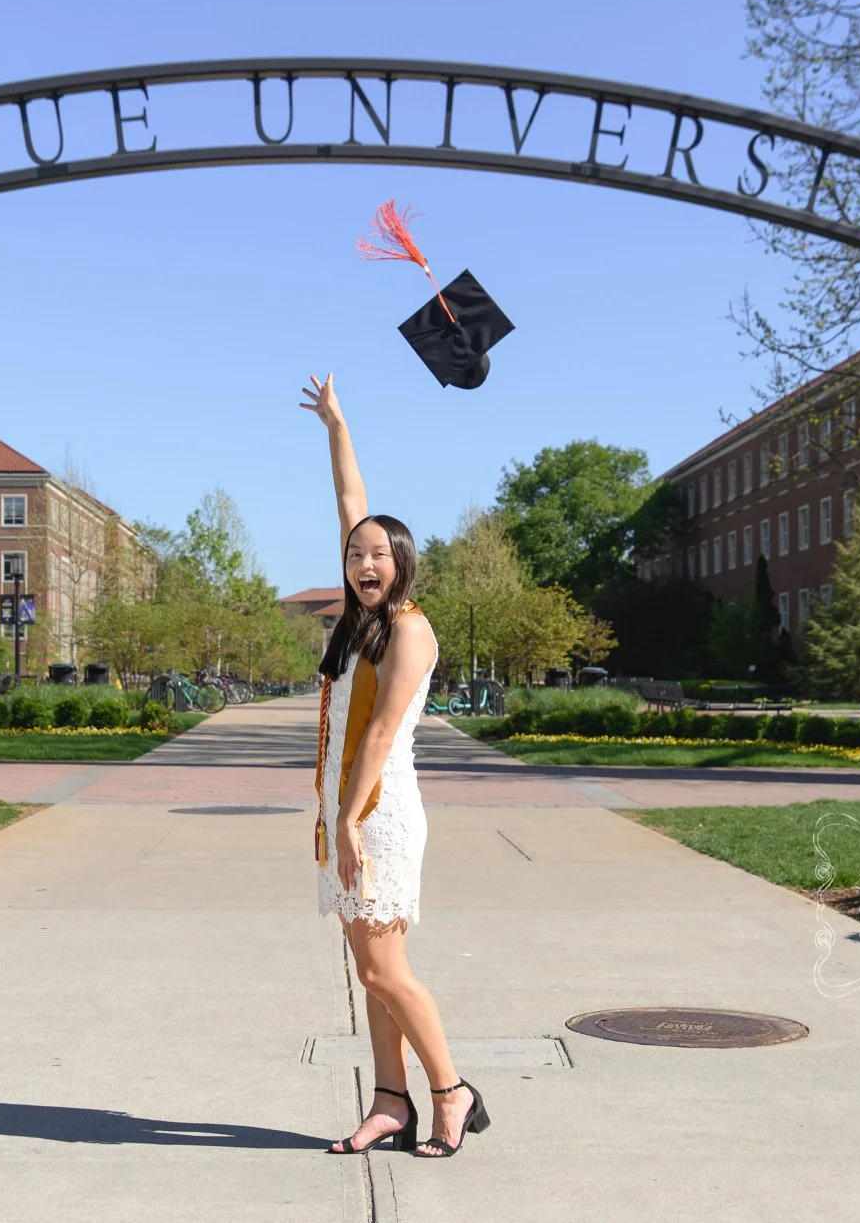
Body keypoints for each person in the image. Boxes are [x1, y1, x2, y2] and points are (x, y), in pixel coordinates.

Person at [300, 373, 490, 1160]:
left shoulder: (409, 630)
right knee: (373, 972)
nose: (362, 559)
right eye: (354, 554)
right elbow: (352, 500)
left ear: (404, 561)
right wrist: (336, 425)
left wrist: (346, 819)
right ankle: (390, 1100)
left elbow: (379, 735)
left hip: (378, 812)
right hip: (344, 809)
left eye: (378, 551)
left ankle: (451, 1091)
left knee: (383, 973)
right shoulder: (361, 622)